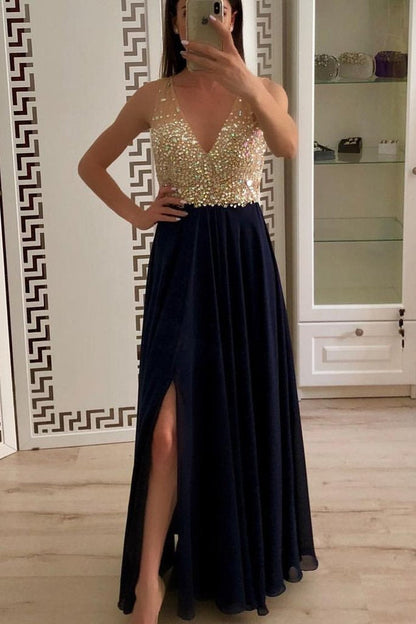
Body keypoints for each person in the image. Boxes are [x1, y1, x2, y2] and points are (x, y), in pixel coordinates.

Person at [78, 1, 319, 622]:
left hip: (244, 267)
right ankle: (149, 584)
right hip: (181, 264)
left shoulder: (265, 90)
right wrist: (137, 214)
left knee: (237, 407)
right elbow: (90, 164)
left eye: (213, 6)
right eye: (187, 8)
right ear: (175, 21)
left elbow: (289, 145)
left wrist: (246, 82)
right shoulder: (153, 96)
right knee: (165, 431)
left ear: (230, 16)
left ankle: (235, 552)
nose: (201, 17)